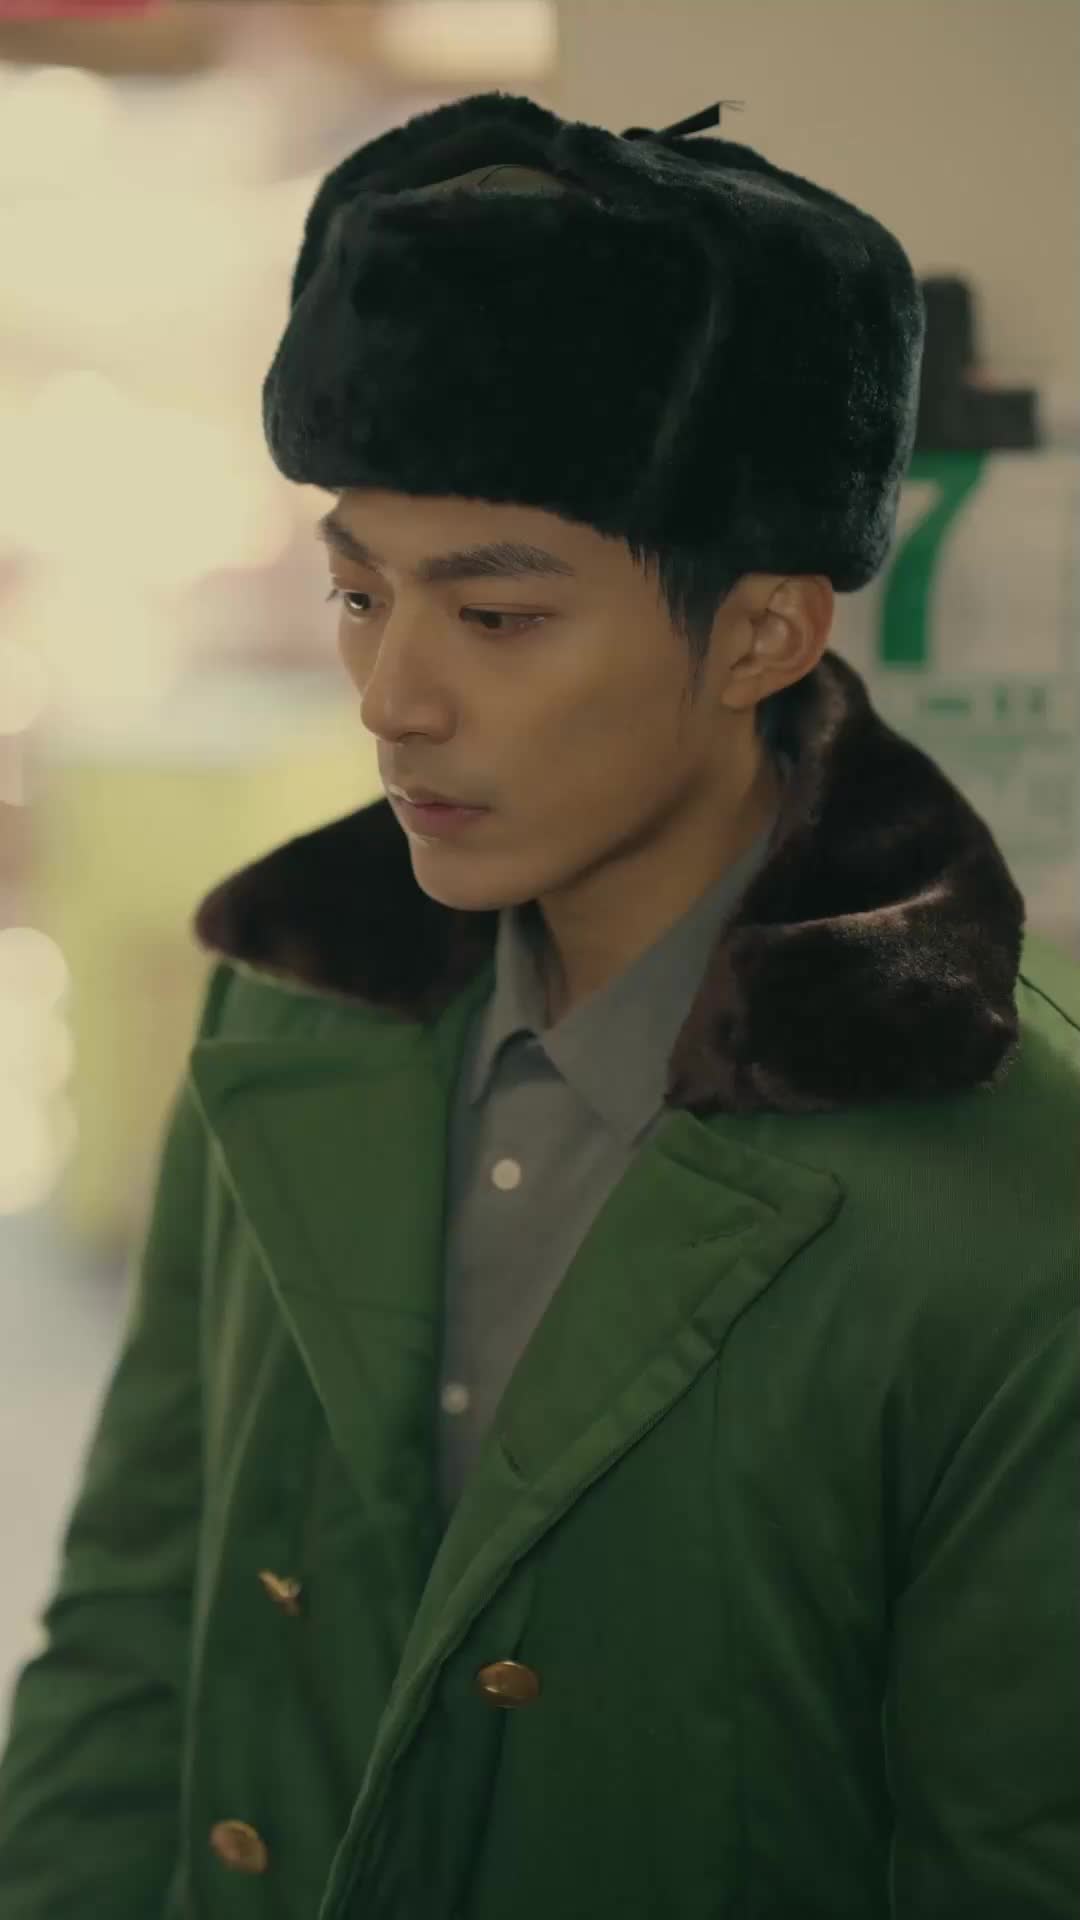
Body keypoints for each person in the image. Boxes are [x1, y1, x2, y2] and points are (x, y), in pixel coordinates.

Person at [1, 91, 1077, 1920]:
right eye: (359, 593)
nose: (391, 698)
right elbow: (133, 1641)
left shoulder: (1015, 1183)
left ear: (764, 634)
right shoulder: (289, 1003)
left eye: (496, 618)